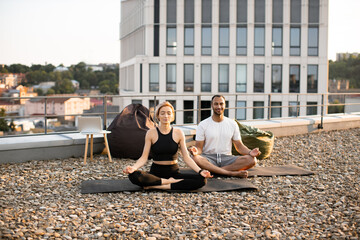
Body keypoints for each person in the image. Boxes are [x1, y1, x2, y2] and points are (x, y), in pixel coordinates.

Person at [123, 101, 212, 190]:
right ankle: (169, 182)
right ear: (158, 116)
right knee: (133, 175)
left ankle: (158, 186)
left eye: (169, 113)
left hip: (174, 172)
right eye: (163, 113)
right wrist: (133, 167)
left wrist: (200, 171)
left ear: (172, 116)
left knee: (202, 180)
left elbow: (187, 158)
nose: (166, 116)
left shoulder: (179, 133)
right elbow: (144, 157)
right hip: (156, 173)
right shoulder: (150, 133)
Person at [188, 95, 261, 178]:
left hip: (227, 159)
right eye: (216, 104)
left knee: (252, 160)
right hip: (209, 158)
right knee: (194, 158)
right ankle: (230, 173)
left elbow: (239, 146)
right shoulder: (203, 124)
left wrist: (250, 152)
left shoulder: (232, 124)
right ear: (212, 105)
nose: (219, 106)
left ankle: (216, 171)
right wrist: (195, 151)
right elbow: (199, 148)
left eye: (221, 104)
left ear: (225, 105)